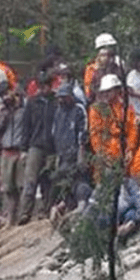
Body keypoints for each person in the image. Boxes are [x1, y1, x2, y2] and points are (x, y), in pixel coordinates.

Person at [17, 71, 57, 225]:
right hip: (35, 145)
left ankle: (45, 211)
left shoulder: (55, 102)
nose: (44, 89)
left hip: (52, 147)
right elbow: (26, 126)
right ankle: (25, 212)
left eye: (46, 86)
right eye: (41, 86)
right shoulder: (32, 102)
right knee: (30, 179)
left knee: (48, 179)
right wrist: (23, 149)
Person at [88, 72, 139, 170]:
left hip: (122, 149)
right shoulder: (97, 109)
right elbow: (95, 133)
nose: (106, 94)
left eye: (109, 91)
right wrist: (101, 154)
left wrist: (130, 150)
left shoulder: (126, 107)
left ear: (117, 90)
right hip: (105, 151)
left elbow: (132, 129)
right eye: (105, 91)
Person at [51, 81, 88, 210]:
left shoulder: (79, 109)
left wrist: (81, 154)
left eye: (64, 96)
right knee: (63, 182)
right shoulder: (58, 112)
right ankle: (67, 206)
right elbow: (55, 133)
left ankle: (80, 206)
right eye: (59, 97)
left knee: (77, 181)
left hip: (75, 153)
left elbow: (83, 133)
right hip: (62, 154)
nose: (61, 100)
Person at [0, 82, 26, 226]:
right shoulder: (1, 109)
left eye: (8, 93)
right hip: (6, 150)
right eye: (3, 95)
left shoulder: (24, 107)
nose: (7, 97)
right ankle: (10, 218)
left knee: (20, 186)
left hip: (19, 150)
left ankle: (20, 216)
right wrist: (5, 112)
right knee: (8, 188)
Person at [86, 177, 140, 242]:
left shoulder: (129, 184)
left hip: (128, 222)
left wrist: (132, 223)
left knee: (130, 214)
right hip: (110, 226)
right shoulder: (100, 189)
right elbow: (91, 209)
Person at [84, 33, 119, 100]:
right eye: (104, 55)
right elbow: (88, 89)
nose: (107, 57)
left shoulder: (116, 66)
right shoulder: (91, 68)